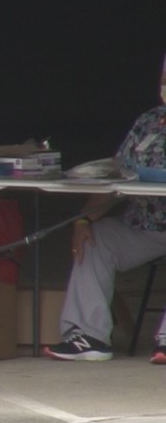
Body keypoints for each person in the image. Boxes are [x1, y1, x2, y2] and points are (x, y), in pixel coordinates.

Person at [45, 55, 166, 364]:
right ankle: (89, 337)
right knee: (95, 238)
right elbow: (116, 175)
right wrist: (84, 218)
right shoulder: (148, 122)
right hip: (144, 226)